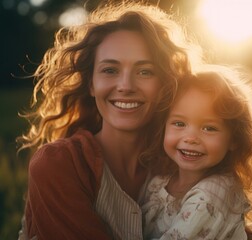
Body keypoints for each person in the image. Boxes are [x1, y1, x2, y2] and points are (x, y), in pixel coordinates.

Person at [16, 2, 199, 240]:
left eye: (145, 71)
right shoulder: (58, 164)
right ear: (91, 84)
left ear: (165, 85)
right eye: (110, 70)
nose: (126, 86)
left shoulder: (185, 161)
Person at [139, 65, 252, 239]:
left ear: (234, 140)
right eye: (179, 123)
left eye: (209, 128)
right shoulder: (159, 180)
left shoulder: (214, 193)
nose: (191, 138)